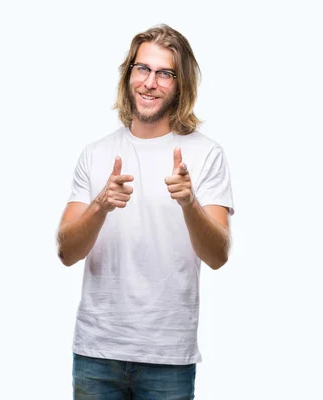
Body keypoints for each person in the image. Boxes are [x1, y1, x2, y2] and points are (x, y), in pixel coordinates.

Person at [56, 24, 234, 399]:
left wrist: (190, 204)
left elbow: (218, 256)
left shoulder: (206, 154)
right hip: (97, 354)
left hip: (168, 357)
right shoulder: (96, 153)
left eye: (164, 73)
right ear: (128, 75)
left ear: (180, 85)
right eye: (142, 69)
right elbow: (66, 252)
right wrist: (101, 205)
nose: (150, 82)